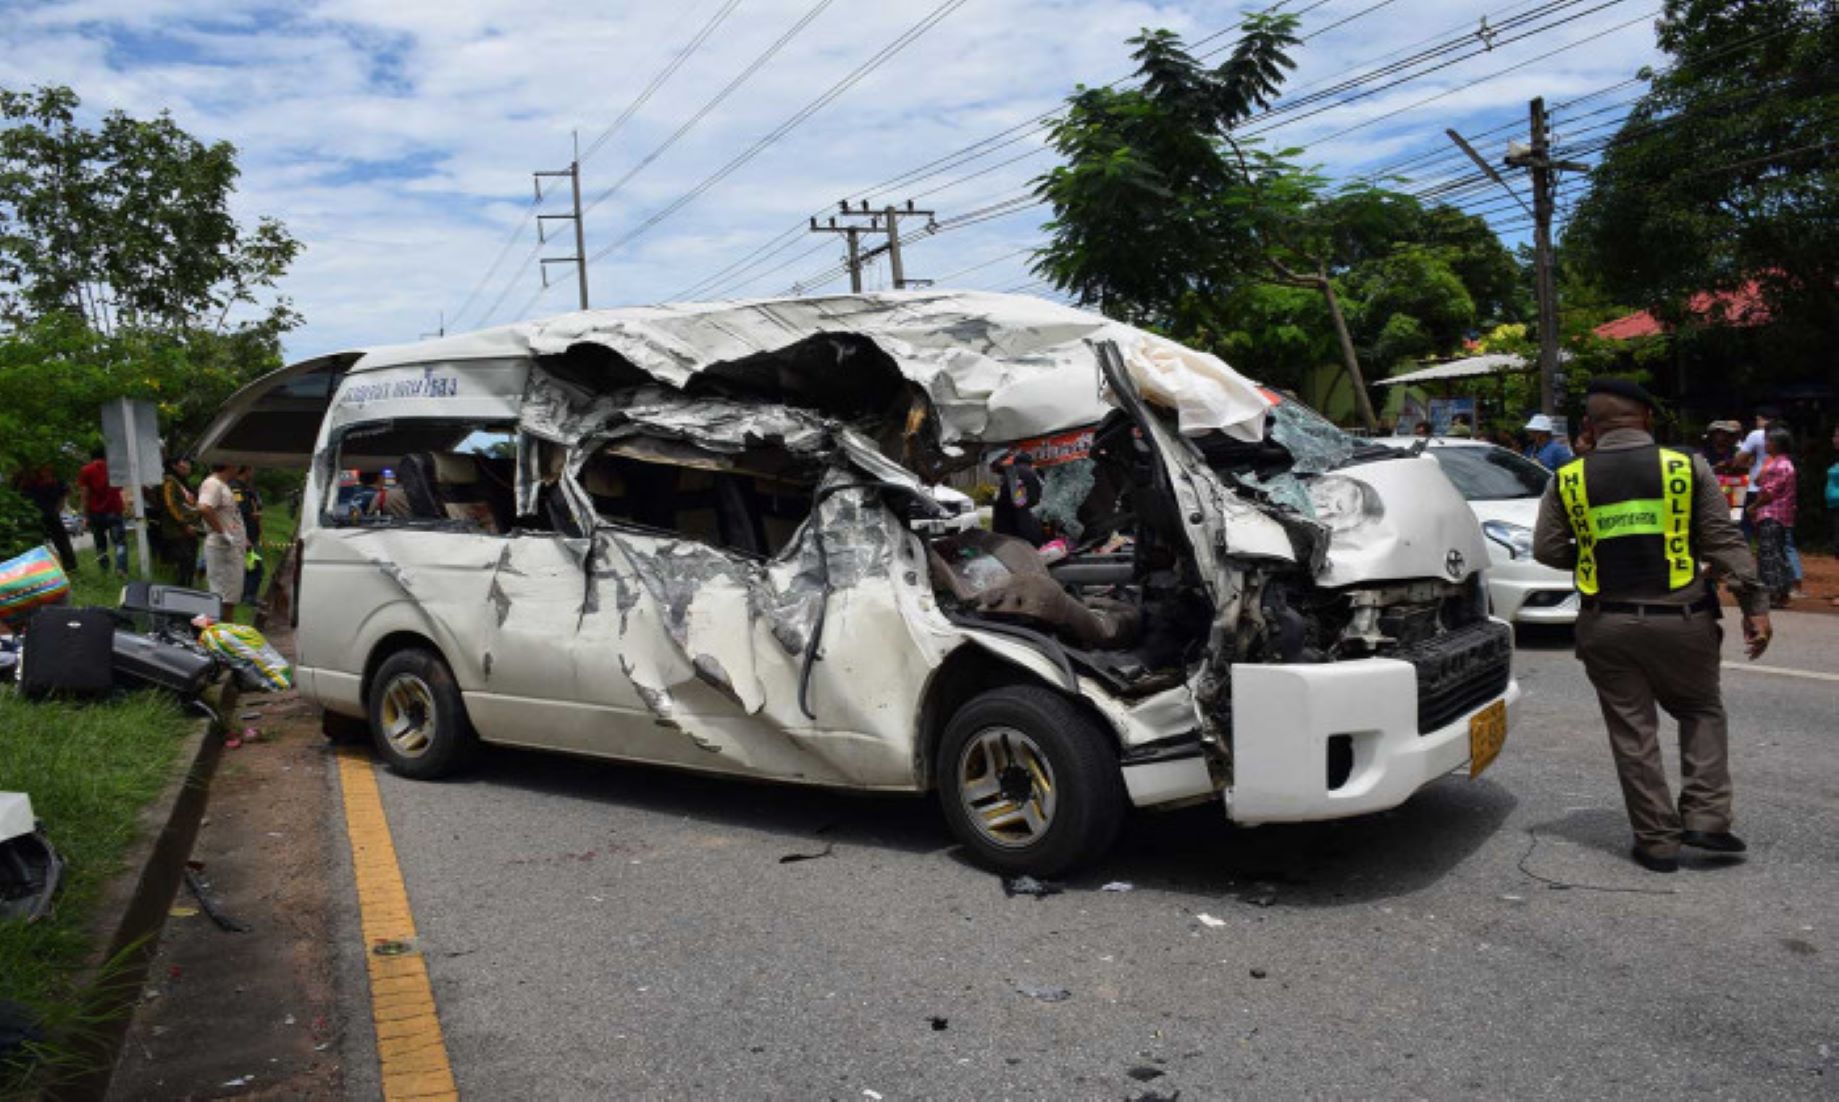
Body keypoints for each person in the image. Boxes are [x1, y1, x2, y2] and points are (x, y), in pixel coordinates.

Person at [1533, 377, 1772, 874]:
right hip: (1683, 620)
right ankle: (1706, 818)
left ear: (1590, 427)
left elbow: (1548, 551)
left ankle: (1657, 842)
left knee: (1633, 731)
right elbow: (1725, 543)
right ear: (1645, 418)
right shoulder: (1688, 468)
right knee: (1701, 710)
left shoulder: (1569, 478)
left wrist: (1600, 551)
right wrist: (1755, 607)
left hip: (1607, 625)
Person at [1748, 427, 1798, 608]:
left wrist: (1753, 507)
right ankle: (1780, 592)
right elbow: (1759, 481)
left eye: (1769, 441)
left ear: (1777, 444)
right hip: (1780, 515)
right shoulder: (1780, 463)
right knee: (1777, 554)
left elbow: (1768, 493)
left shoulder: (1779, 465)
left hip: (1772, 515)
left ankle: (1772, 594)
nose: (1765, 444)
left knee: (1769, 555)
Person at [197, 462, 248, 620]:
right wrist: (222, 532)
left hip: (231, 547)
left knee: (230, 595)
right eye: (235, 464)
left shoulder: (222, 485)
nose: (238, 468)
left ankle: (225, 630)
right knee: (223, 596)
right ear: (228, 465)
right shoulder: (213, 484)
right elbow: (204, 507)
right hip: (223, 546)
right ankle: (222, 633)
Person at [12, 463, 79, 572]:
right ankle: (35, 569)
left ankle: (70, 567)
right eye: (44, 469)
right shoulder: (29, 480)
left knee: (61, 541)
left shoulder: (56, 481)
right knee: (33, 542)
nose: (47, 471)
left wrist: (58, 508)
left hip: (50, 514)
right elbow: (17, 491)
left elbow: (65, 492)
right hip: (32, 516)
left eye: (49, 470)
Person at [77, 447, 129, 574]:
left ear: (91, 457)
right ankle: (121, 569)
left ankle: (104, 570)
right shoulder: (114, 469)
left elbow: (85, 494)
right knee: (120, 543)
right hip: (114, 510)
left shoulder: (86, 470)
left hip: (96, 513)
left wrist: (86, 516)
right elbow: (121, 488)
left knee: (100, 544)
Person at [159, 458, 202, 587]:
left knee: (190, 562)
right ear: (174, 465)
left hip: (191, 529)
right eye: (184, 463)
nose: (188, 466)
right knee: (183, 561)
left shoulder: (182, 482)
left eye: (188, 463)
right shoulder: (169, 481)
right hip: (177, 530)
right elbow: (170, 504)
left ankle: (188, 588)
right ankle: (180, 589)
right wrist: (184, 524)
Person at [990, 451, 1046, 546]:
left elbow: (1019, 501)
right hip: (1024, 523)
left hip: (1013, 526)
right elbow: (1033, 498)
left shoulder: (1014, 472)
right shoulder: (1032, 472)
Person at [232, 466, 265, 606]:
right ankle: (248, 597)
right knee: (254, 567)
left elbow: (257, 505)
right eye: (251, 469)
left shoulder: (249, 488)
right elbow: (238, 511)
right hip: (244, 534)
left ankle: (247, 595)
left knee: (252, 566)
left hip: (252, 532)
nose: (253, 472)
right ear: (245, 470)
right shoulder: (235, 489)